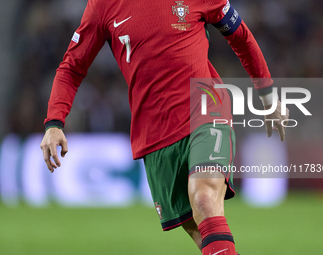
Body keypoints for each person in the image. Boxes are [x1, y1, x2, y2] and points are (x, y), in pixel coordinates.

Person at [40, 0, 289, 254]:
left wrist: (267, 93)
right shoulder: (103, 5)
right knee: (203, 232)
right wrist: (54, 122)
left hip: (206, 111)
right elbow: (72, 66)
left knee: (204, 199)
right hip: (155, 136)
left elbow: (240, 37)